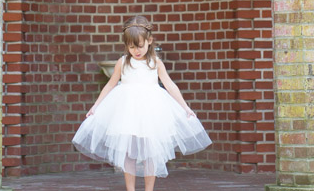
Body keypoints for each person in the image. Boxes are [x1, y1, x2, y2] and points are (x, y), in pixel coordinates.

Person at [72, 16, 212, 191]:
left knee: (150, 153)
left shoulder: (155, 63)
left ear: (149, 40)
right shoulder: (122, 62)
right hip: (127, 111)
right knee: (128, 152)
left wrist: (185, 107)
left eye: (140, 45)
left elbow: (169, 85)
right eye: (131, 47)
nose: (136, 50)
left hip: (151, 112)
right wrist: (96, 105)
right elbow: (110, 84)